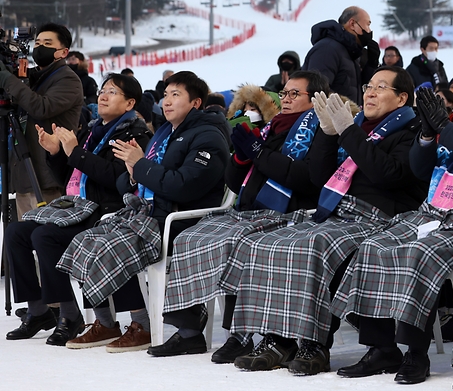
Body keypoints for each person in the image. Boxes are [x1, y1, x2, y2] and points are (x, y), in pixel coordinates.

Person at [217, 66, 427, 372]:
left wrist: (347, 132)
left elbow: (386, 174)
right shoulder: (356, 126)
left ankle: (315, 345)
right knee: (270, 242)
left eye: (381, 88)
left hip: (381, 218)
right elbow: (322, 176)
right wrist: (330, 135)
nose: (369, 92)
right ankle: (278, 338)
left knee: (314, 244)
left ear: (402, 98)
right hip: (339, 213)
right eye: (369, 85)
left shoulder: (409, 129)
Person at [330, 62, 453, 383]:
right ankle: (381, 347)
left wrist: (447, 129)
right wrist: (426, 134)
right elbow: (423, 171)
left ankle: (415, 353)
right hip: (438, 210)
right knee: (373, 246)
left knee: (419, 252)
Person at [149, 71, 335, 360]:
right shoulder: (272, 127)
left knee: (240, 243)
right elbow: (236, 183)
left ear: (316, 100)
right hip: (248, 211)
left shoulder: (321, 129)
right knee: (189, 237)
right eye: (283, 93)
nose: (285, 99)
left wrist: (258, 152)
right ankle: (188, 331)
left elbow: (306, 178)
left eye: (294, 94)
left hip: (289, 213)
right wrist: (240, 158)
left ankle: (239, 333)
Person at [56, 71, 230, 353]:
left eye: (176, 95)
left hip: (182, 218)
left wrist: (141, 166)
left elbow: (183, 187)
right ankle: (105, 322)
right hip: (148, 212)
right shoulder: (165, 133)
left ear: (196, 103)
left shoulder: (208, 136)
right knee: (85, 240)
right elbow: (126, 184)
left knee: (113, 245)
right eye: (165, 95)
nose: (167, 101)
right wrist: (134, 170)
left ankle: (143, 325)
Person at [4, 74, 152, 348]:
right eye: (103, 90)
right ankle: (38, 311)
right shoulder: (92, 131)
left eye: (113, 92)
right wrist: (56, 154)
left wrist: (75, 153)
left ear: (130, 102)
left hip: (107, 212)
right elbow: (69, 178)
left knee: (44, 236)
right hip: (78, 208)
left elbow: (116, 180)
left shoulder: (134, 134)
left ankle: (70, 314)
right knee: (16, 231)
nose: (103, 96)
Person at [0, 23, 84, 217]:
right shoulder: (35, 78)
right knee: (23, 239)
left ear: (63, 52)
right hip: (25, 175)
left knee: (42, 238)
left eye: (47, 43)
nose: (40, 47)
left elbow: (41, 107)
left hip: (47, 177)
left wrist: (6, 79)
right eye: (37, 43)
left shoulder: (67, 79)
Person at [304, 6, 380, 104]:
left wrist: (371, 64)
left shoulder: (350, 52)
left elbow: (357, 88)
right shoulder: (327, 49)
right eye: (368, 25)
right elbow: (318, 93)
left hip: (348, 117)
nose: (369, 31)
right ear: (352, 24)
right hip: (333, 118)